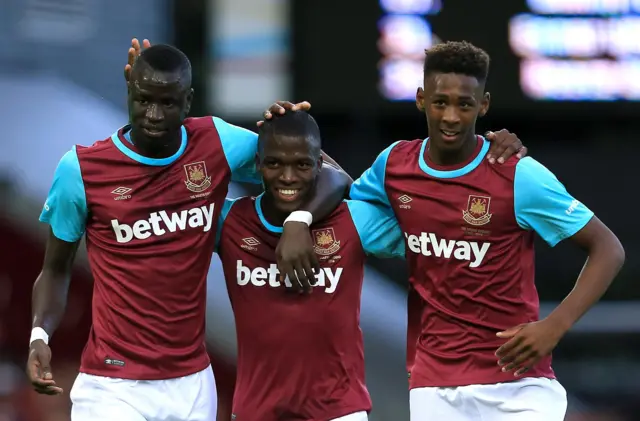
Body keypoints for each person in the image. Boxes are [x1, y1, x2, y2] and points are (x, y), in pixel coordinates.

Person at [26, 44, 351, 421]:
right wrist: (39, 336)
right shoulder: (80, 170)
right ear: (128, 89)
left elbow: (331, 176)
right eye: (144, 100)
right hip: (112, 387)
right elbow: (55, 269)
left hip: (193, 385)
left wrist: (297, 209)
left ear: (188, 100)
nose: (153, 115)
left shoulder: (216, 142)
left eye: (167, 103)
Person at [349, 41, 625, 420]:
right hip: (434, 383)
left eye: (464, 104)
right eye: (439, 102)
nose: (450, 116)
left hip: (519, 382)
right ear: (420, 99)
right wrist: (303, 203)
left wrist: (555, 325)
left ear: (484, 105)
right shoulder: (394, 165)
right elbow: (346, 203)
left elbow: (608, 248)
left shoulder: (518, 175)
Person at [216, 110, 404, 421]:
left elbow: (435, 244)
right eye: (274, 163)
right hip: (257, 411)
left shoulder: (353, 220)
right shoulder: (229, 221)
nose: (288, 177)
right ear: (258, 164)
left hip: (339, 411)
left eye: (302, 164)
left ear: (319, 165)